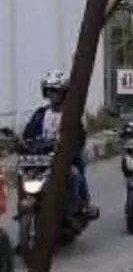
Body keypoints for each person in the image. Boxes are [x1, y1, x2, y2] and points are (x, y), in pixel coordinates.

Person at [21, 70, 98, 219]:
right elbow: (28, 133)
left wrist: (71, 146)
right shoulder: (41, 113)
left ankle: (83, 205)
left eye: (55, 91)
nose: (52, 95)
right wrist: (23, 143)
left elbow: (79, 136)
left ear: (63, 92)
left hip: (64, 155)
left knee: (76, 172)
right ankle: (29, 199)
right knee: (25, 173)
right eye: (49, 91)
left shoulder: (71, 114)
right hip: (42, 156)